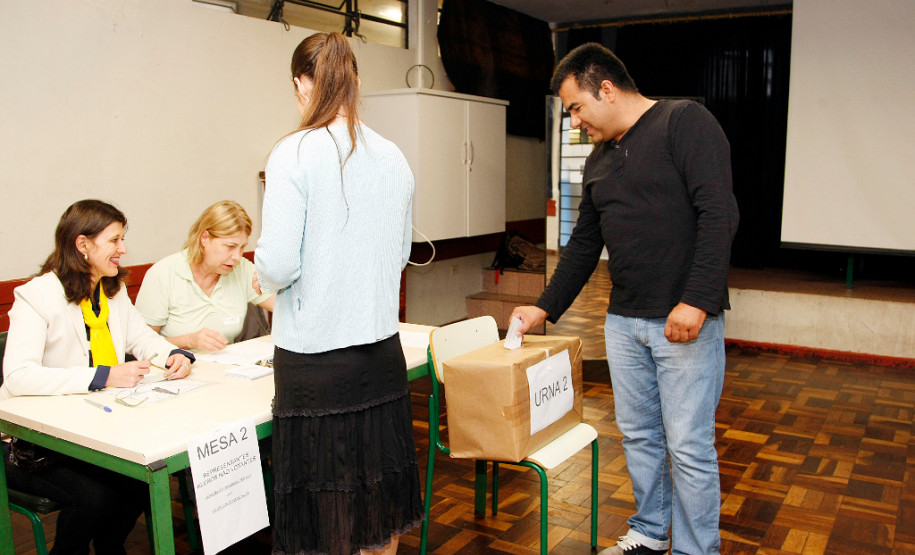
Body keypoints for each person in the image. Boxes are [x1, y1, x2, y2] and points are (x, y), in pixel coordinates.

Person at [512, 43, 739, 555]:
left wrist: (697, 300)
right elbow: (583, 246)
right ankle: (650, 533)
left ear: (607, 89)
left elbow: (718, 214)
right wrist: (543, 306)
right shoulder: (598, 160)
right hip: (624, 322)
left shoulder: (685, 122)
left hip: (684, 322)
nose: (575, 122)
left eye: (576, 107)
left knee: (688, 447)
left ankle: (696, 550)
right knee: (639, 439)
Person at [254, 32, 422, 555]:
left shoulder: (293, 152)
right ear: (355, 83)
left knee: (325, 518)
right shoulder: (393, 156)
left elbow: (279, 263)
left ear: (303, 84)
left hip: (316, 364)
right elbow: (397, 256)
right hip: (380, 356)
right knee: (377, 513)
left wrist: (266, 273)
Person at [1, 199, 194, 554]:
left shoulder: (112, 290)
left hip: (97, 428)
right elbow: (18, 377)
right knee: (94, 498)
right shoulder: (36, 296)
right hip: (34, 444)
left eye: (123, 240)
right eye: (114, 241)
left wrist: (174, 354)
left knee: (140, 483)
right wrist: (102, 375)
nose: (123, 249)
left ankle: (110, 547)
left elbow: (142, 337)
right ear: (83, 244)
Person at [135, 200, 274, 351]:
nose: (237, 256)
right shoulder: (163, 274)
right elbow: (141, 343)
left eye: (242, 247)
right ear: (205, 238)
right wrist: (189, 341)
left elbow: (282, 305)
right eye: (230, 246)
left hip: (227, 368)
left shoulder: (242, 269)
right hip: (177, 368)